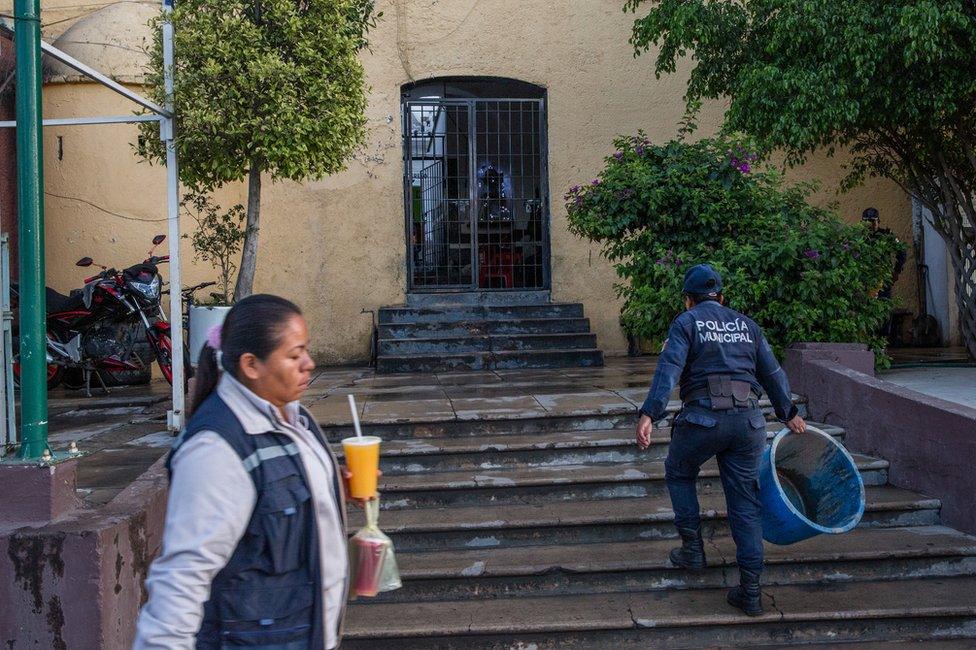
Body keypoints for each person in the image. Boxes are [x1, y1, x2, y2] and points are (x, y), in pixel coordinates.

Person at [134, 295, 353, 649]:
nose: (309, 364)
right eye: (294, 355)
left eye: (306, 351)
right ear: (251, 365)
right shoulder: (216, 451)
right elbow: (182, 580)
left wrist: (328, 490)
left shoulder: (293, 418)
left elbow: (272, 503)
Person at [635, 264, 806, 617]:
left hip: (701, 419)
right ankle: (752, 591)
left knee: (680, 472)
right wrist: (788, 412)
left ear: (688, 301)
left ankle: (693, 550)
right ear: (722, 297)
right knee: (745, 501)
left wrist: (650, 413)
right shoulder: (747, 325)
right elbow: (772, 372)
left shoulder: (686, 323)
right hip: (747, 422)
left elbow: (669, 369)